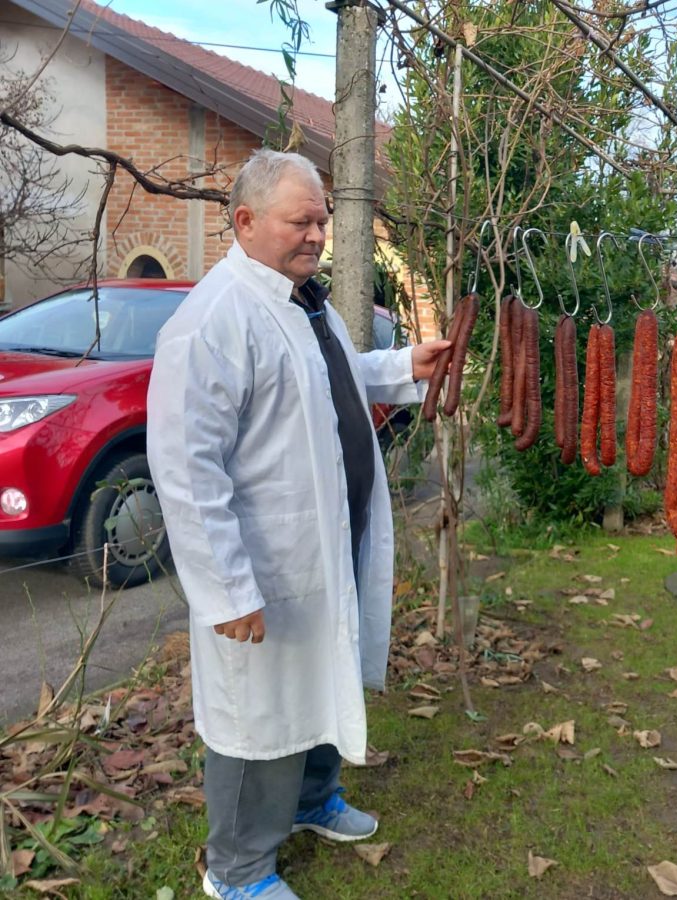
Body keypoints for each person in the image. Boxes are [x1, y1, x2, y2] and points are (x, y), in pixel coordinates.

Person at [146, 148, 451, 900]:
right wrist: (226, 590)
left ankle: (315, 801)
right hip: (265, 565)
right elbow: (186, 471)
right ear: (246, 221)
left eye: (322, 220)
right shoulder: (212, 321)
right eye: (300, 221)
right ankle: (237, 870)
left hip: (325, 546)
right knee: (257, 714)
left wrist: (404, 366)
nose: (316, 234)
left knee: (321, 679)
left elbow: (331, 379)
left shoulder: (304, 301)